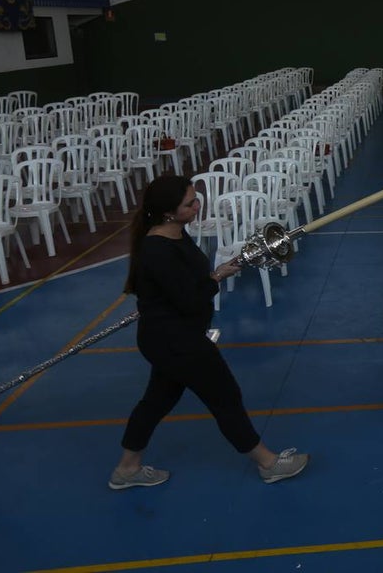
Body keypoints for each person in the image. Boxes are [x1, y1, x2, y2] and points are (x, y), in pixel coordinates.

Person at [109, 175, 308, 489]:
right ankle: (268, 463)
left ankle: (127, 468)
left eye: (195, 198)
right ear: (168, 212)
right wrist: (215, 279)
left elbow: (186, 284)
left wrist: (219, 272)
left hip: (171, 337)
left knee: (156, 401)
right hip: (176, 341)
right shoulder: (157, 249)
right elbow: (190, 299)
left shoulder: (176, 233)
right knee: (225, 396)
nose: (197, 205)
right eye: (189, 203)